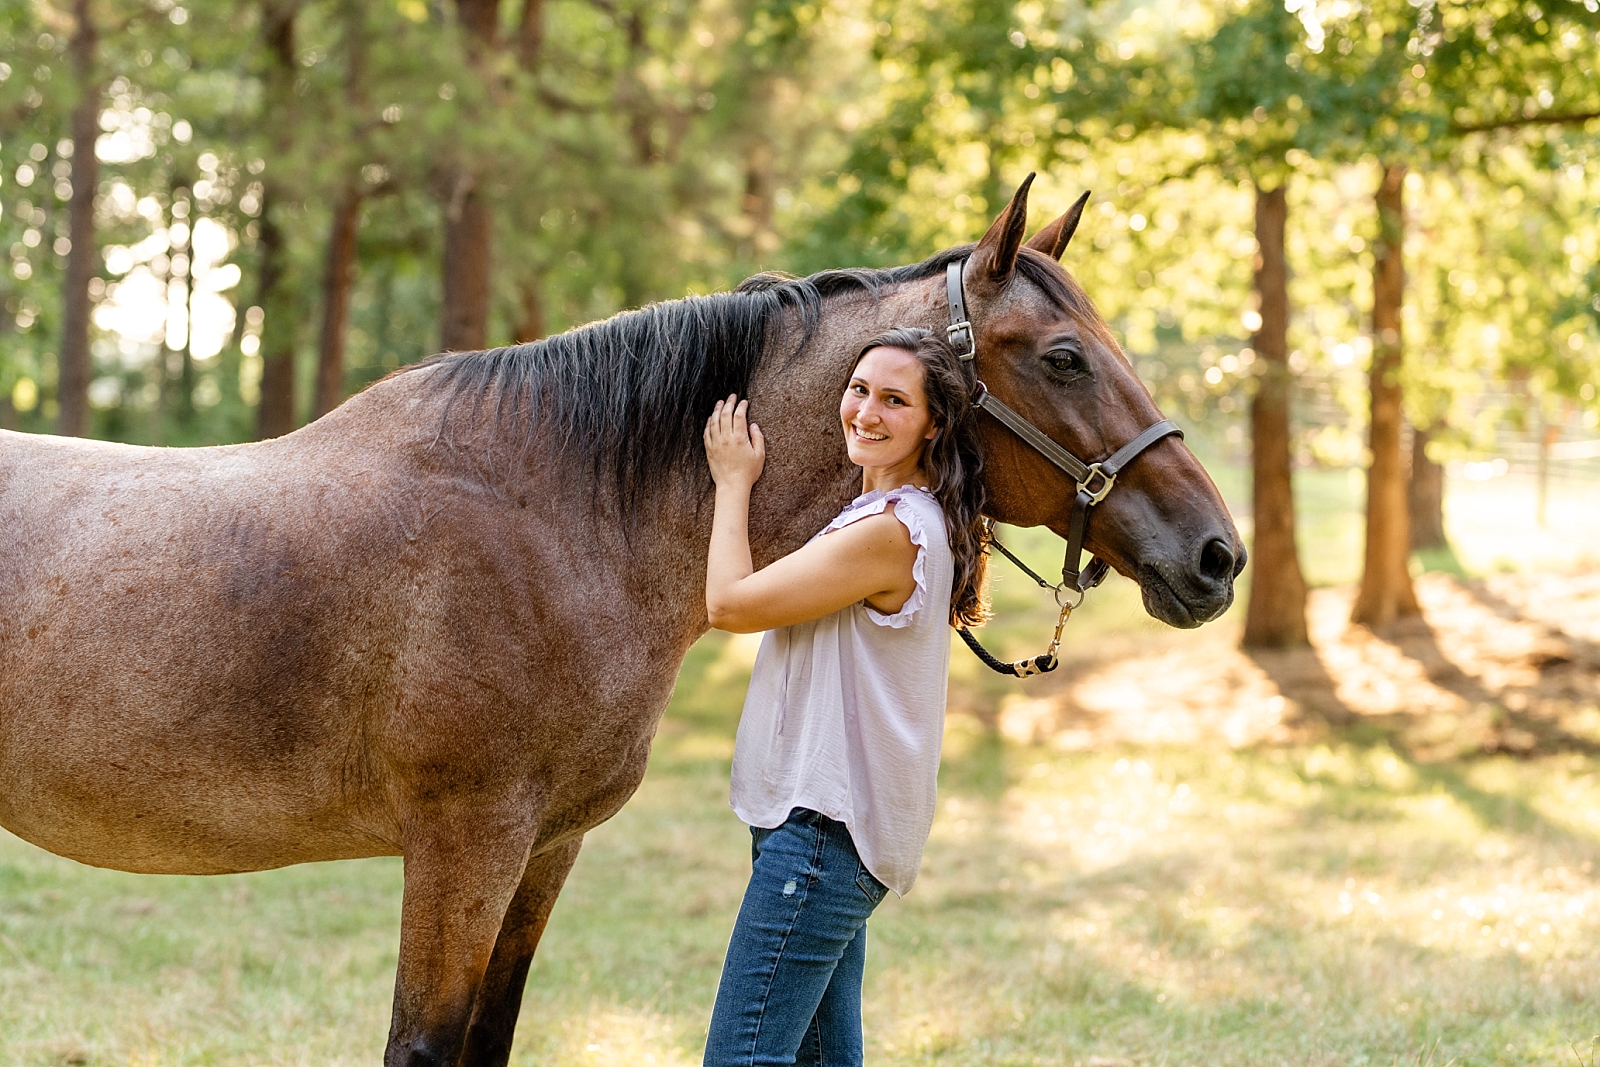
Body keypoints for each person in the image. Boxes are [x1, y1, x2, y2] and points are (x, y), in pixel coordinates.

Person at [700, 325, 988, 1067]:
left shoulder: (894, 531)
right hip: (823, 827)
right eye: (860, 389)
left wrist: (732, 481)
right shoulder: (883, 518)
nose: (866, 411)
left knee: (742, 1056)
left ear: (934, 423)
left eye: (896, 400)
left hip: (824, 832)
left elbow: (730, 604)